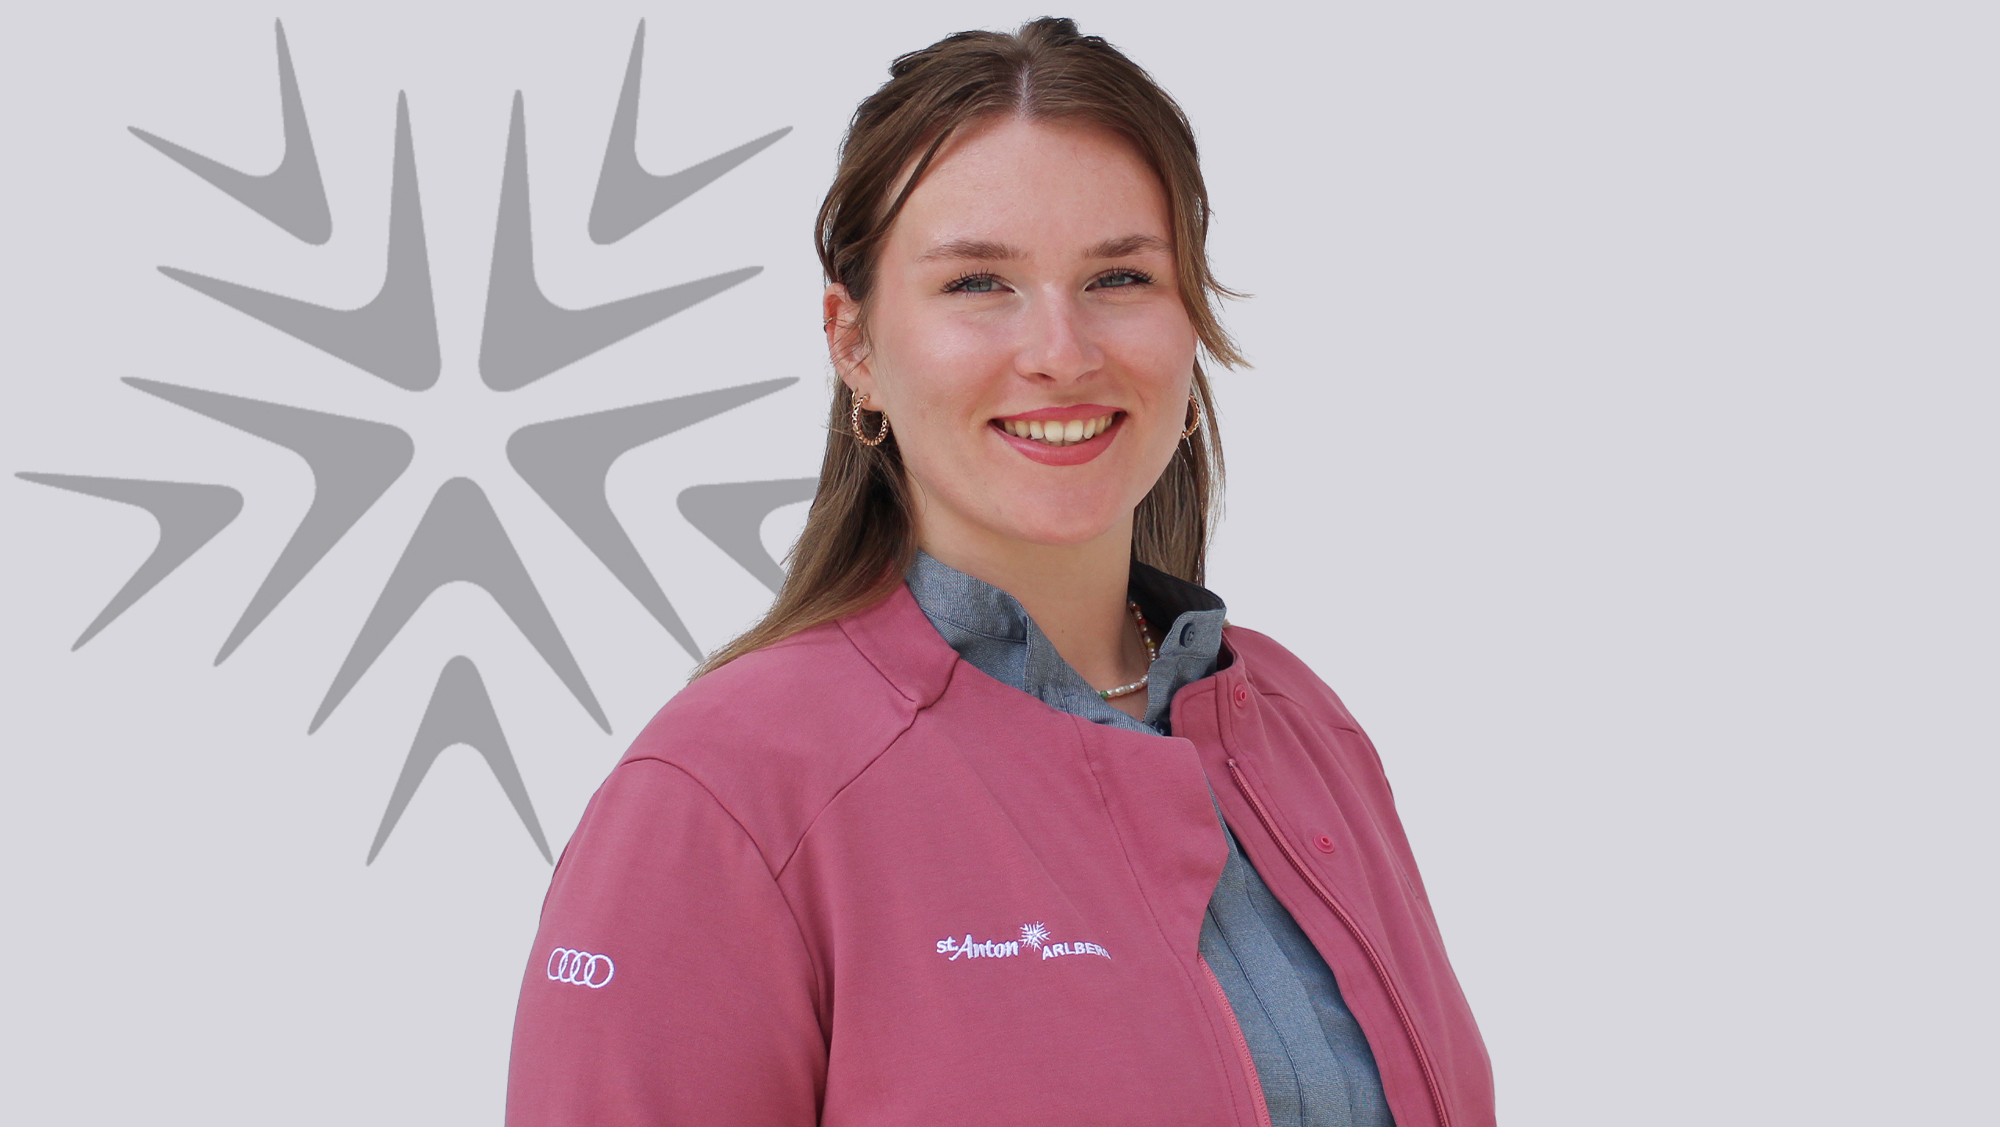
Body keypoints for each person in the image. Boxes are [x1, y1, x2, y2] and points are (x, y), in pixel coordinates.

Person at [507, 17, 1492, 1127]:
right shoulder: (724, 795)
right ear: (854, 344)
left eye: (1120, 275)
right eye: (979, 282)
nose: (1062, 351)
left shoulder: (1303, 729)